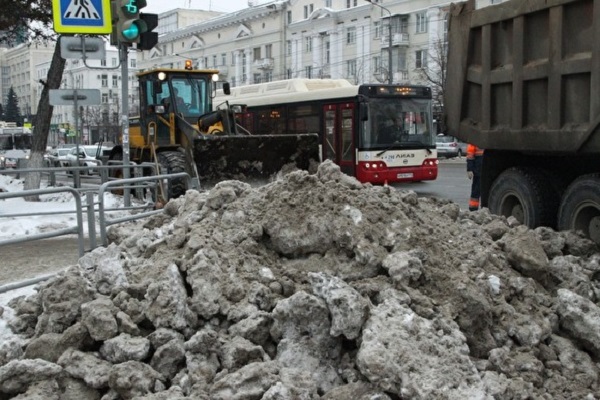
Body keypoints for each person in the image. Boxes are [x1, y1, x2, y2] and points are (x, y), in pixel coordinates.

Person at [466, 143, 484, 211]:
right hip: (478, 171)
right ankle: (473, 208)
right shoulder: (474, 142)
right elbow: (470, 156)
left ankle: (480, 208)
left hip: (482, 170)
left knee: (479, 190)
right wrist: (470, 169)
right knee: (476, 190)